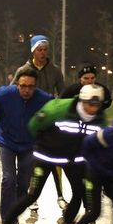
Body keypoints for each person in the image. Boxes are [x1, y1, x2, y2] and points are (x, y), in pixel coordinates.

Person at [0, 84, 107, 224]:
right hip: (46, 156)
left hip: (73, 159)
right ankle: (5, 222)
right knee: (33, 194)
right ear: (81, 100)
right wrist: (46, 144)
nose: (93, 109)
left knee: (79, 192)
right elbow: (34, 125)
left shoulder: (100, 118)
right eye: (90, 104)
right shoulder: (59, 109)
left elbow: (99, 142)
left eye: (97, 105)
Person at [0, 68, 52, 224]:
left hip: (29, 145)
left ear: (35, 86)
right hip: (7, 141)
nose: (26, 90)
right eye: (23, 86)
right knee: (9, 178)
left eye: (31, 87)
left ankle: (14, 215)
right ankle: (6, 220)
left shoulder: (44, 99)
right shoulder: (4, 94)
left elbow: (52, 115)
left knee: (24, 182)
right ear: (17, 84)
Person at [13, 34, 68, 209]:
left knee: (55, 157)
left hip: (50, 119)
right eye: (39, 50)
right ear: (33, 51)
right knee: (32, 158)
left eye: (45, 49)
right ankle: (32, 196)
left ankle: (60, 196)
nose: (43, 53)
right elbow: (14, 92)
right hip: (30, 120)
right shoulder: (23, 70)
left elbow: (64, 94)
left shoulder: (55, 70)